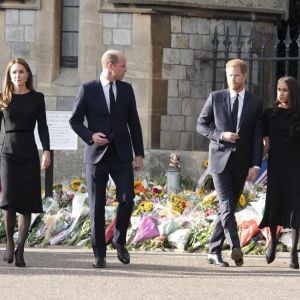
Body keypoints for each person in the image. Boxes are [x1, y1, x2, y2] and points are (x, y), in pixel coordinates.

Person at [69, 49, 144, 268]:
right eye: (123, 66)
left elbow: (135, 123)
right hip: (96, 156)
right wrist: (90, 136)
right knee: (97, 205)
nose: (126, 69)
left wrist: (138, 153)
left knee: (128, 198)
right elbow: (74, 121)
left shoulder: (126, 89)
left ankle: (119, 241)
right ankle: (99, 253)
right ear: (110, 66)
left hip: (121, 155)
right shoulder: (87, 89)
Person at [196, 59, 263, 267]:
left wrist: (256, 165)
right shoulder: (216, 98)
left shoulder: (255, 102)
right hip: (219, 161)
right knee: (225, 204)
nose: (232, 79)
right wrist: (221, 135)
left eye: (236, 75)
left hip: (241, 164)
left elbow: (257, 136)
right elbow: (201, 125)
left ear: (244, 76)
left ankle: (213, 251)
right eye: (229, 75)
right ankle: (236, 245)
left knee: (227, 209)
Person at [0, 58, 51, 267]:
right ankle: (10, 244)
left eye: (21, 72)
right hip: (8, 152)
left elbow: (43, 127)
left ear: (27, 74)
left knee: (27, 203)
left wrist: (46, 151)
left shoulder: (37, 98)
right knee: (9, 201)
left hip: (29, 151)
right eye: (14, 73)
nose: (18, 76)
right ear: (9, 76)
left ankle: (21, 248)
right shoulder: (3, 98)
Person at [259, 76, 300, 269]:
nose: (281, 93)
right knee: (274, 201)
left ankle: (293, 253)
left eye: (285, 90)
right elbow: (265, 144)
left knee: (295, 205)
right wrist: (255, 165)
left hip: (295, 164)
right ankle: (273, 242)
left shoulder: (298, 114)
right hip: (276, 164)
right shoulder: (270, 114)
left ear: (292, 92)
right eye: (278, 89)